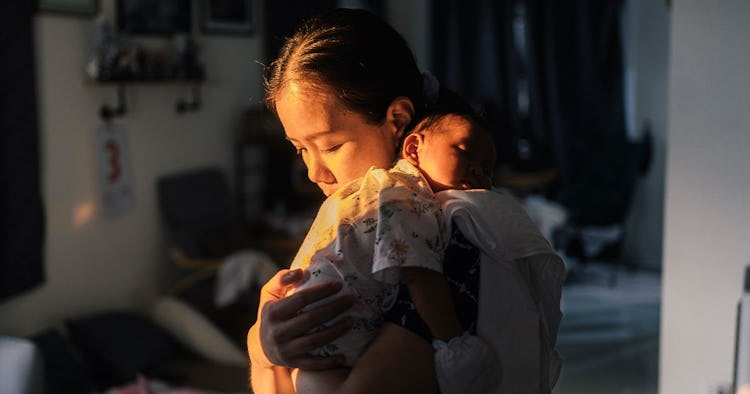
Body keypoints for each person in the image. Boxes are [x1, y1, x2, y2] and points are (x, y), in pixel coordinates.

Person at [246, 8, 565, 394]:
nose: (315, 172)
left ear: (398, 119)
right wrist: (263, 352)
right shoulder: (359, 229)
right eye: (300, 149)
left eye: (331, 146)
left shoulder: (454, 240)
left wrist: (272, 365)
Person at [287, 87, 500, 393]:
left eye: (487, 170)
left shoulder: (388, 190)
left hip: (314, 346)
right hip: (330, 339)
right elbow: (420, 273)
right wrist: (455, 345)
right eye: (465, 152)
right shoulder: (404, 195)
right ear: (413, 149)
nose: (477, 171)